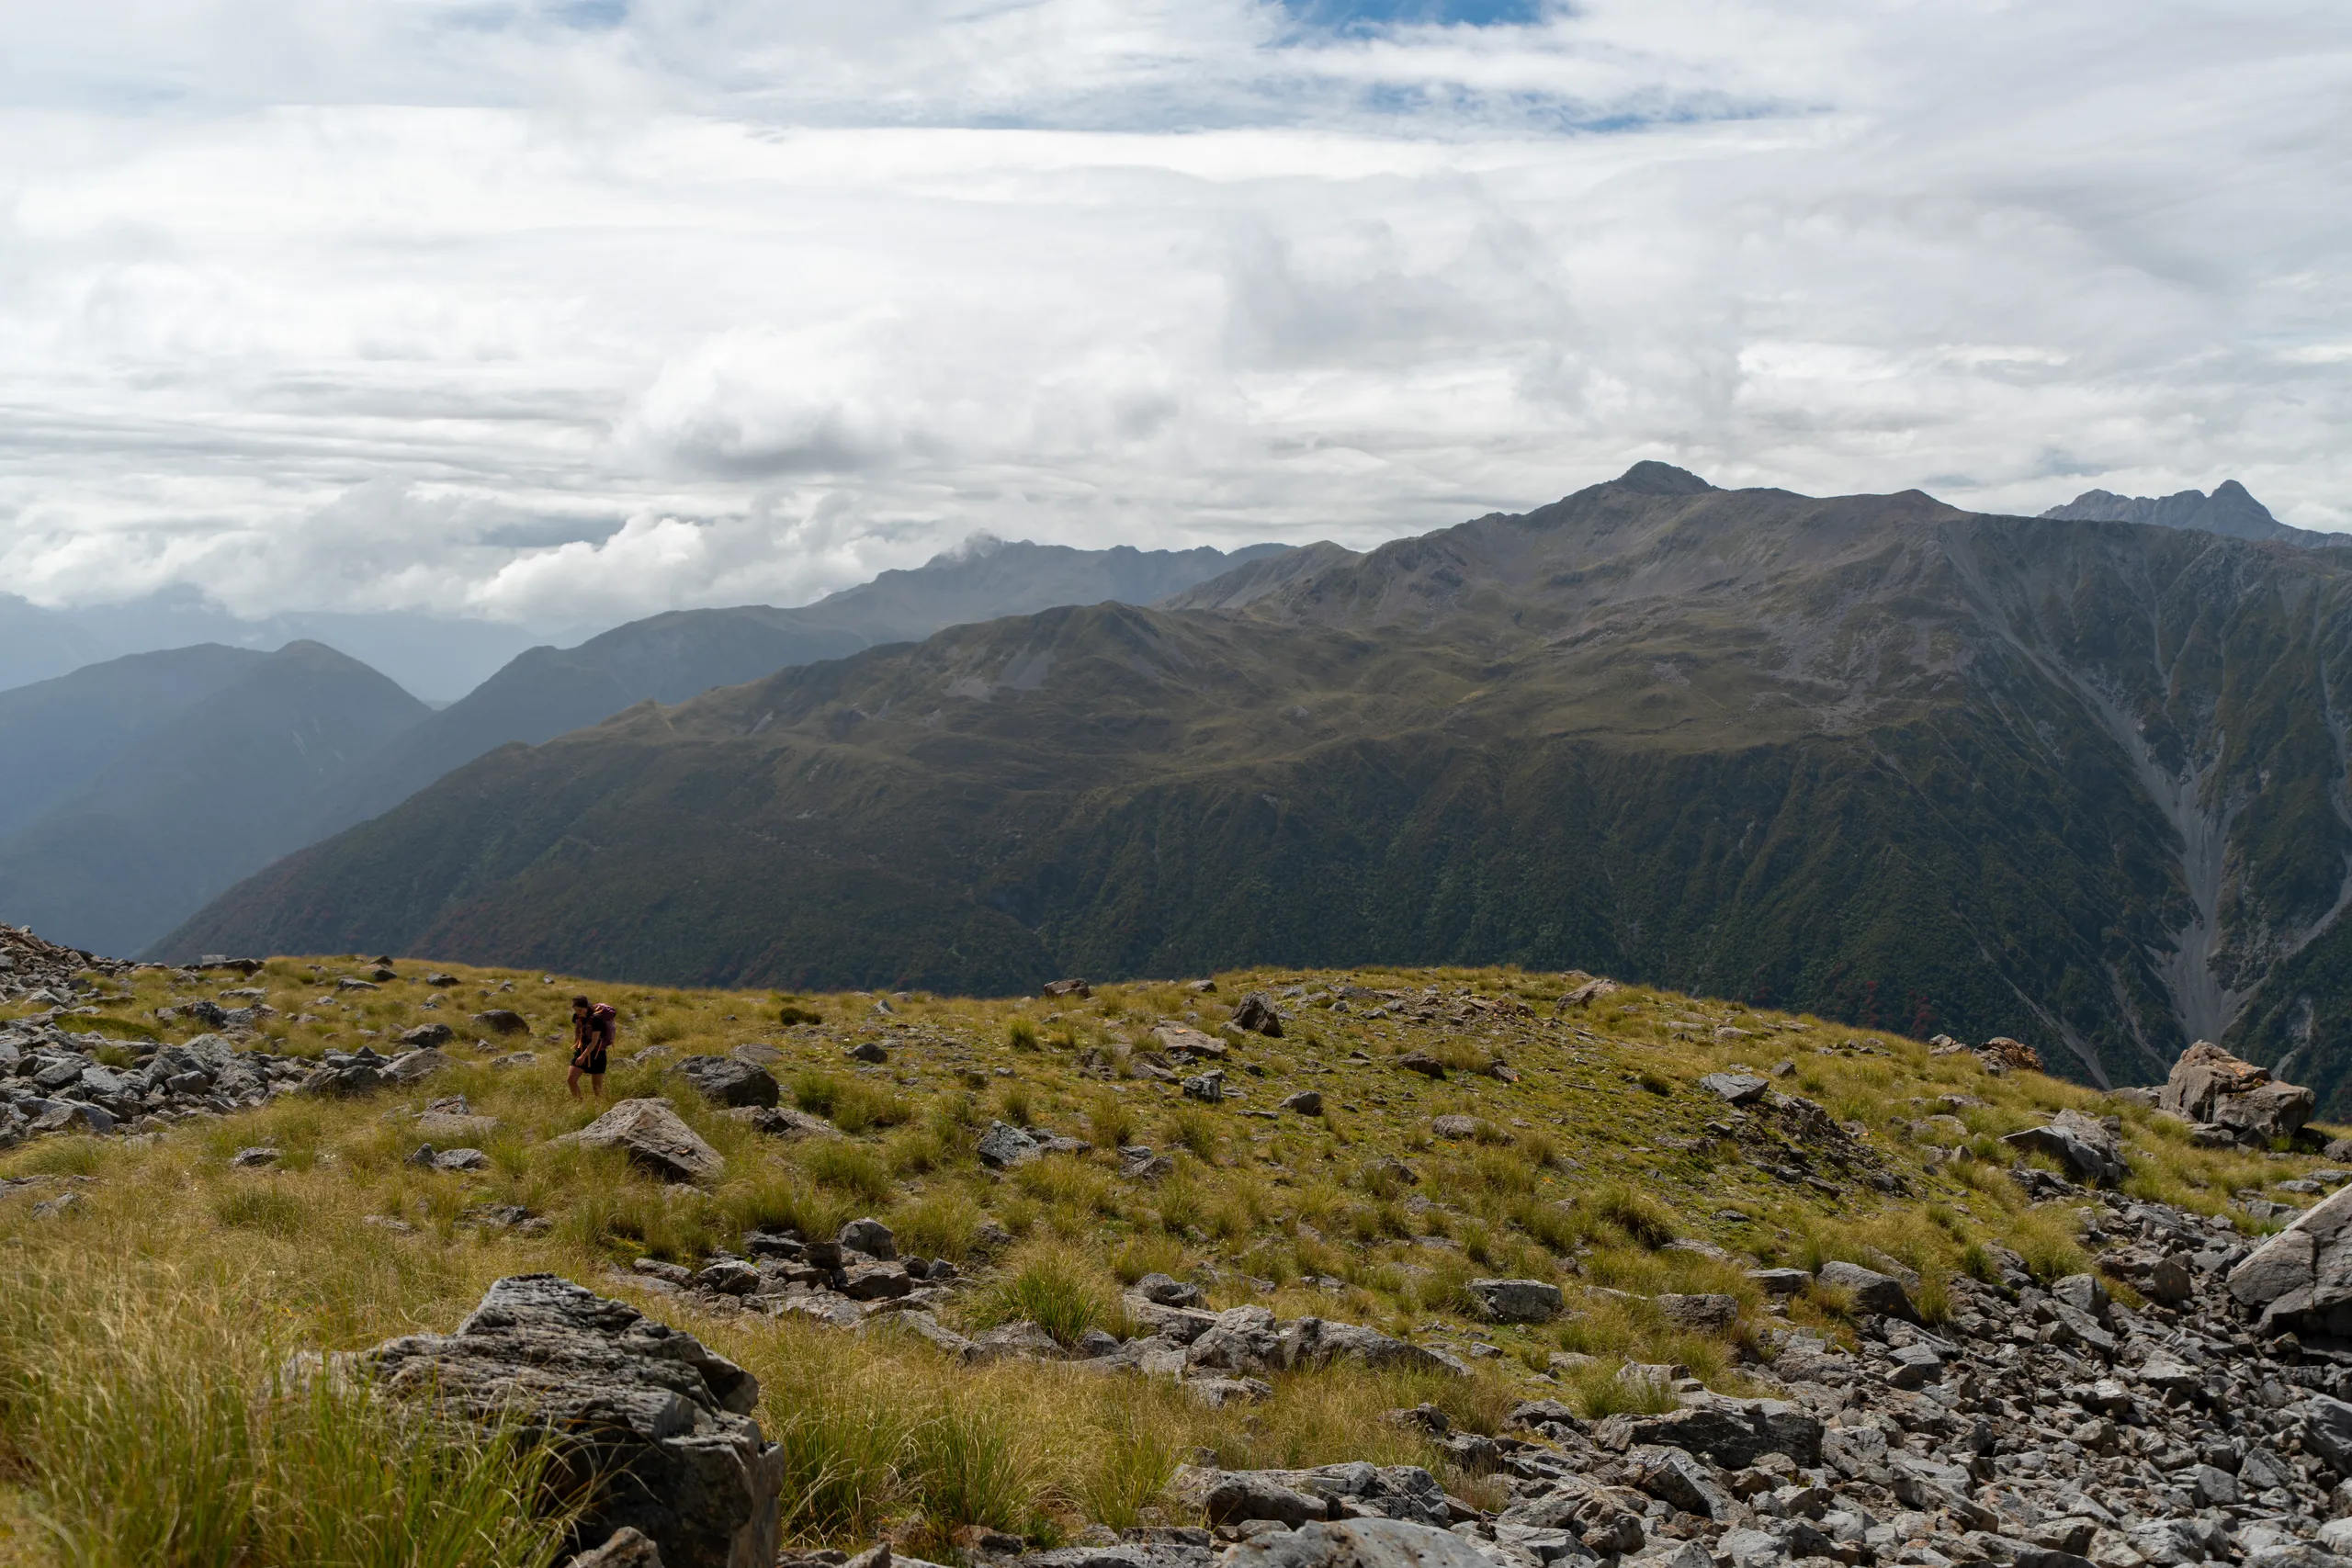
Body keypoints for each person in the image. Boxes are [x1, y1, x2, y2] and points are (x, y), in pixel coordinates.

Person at [570, 994, 616, 1100]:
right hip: (580, 1051)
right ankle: (579, 1104)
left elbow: (594, 1042)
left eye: (581, 1010)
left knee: (597, 1090)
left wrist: (582, 1057)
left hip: (597, 1054)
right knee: (571, 1080)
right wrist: (577, 1049)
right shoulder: (577, 1017)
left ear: (586, 1007)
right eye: (576, 1010)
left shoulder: (596, 1019)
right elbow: (577, 1032)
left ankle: (600, 1111)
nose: (579, 1013)